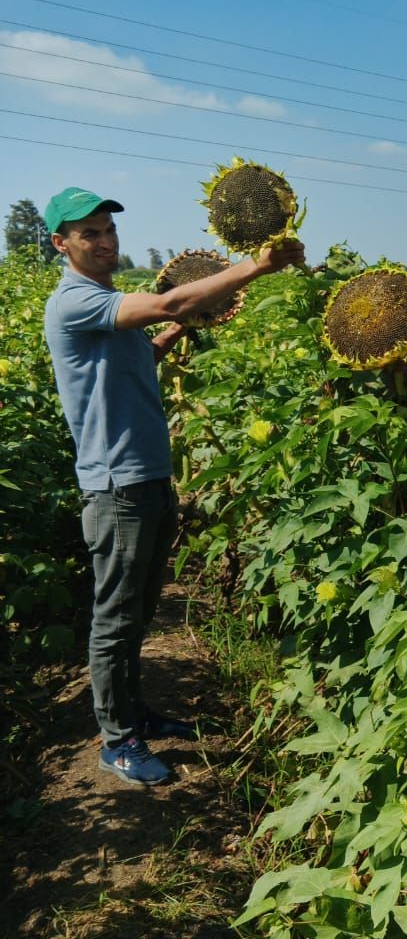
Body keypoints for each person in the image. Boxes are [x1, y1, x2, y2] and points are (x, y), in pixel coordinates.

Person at [42, 187, 305, 786]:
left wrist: (169, 339)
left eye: (109, 229)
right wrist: (256, 267)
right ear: (62, 244)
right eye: (90, 234)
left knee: (139, 612)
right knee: (114, 618)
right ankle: (117, 740)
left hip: (149, 476)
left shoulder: (105, 301)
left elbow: (143, 348)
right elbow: (169, 302)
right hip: (118, 486)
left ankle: (136, 714)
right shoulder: (75, 302)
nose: (106, 241)